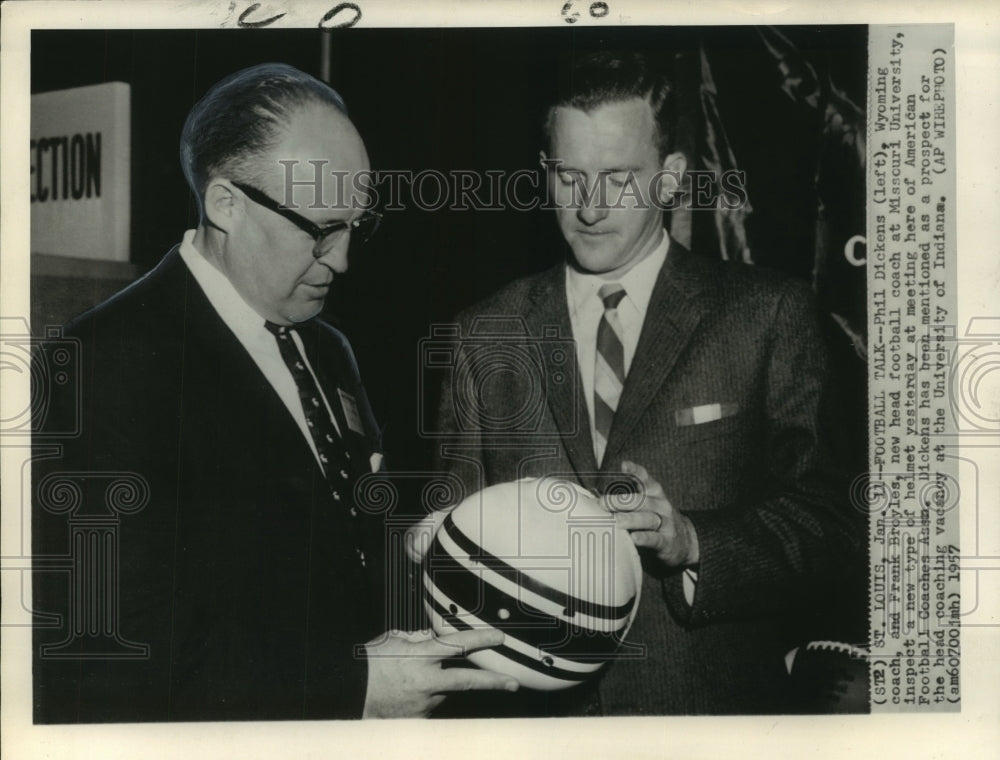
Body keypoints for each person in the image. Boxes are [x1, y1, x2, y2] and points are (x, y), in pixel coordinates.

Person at [31, 63, 518, 723]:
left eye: (357, 225)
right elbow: (104, 659)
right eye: (320, 229)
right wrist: (352, 686)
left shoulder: (327, 347)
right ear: (224, 203)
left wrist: (419, 549)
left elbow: (326, 542)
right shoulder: (99, 366)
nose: (342, 261)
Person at [423, 51, 865, 715]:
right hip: (534, 742)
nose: (591, 207)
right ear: (545, 175)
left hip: (709, 737)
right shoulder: (485, 332)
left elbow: (832, 527)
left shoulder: (767, 314)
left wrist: (692, 541)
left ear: (672, 178)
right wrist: (432, 546)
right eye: (569, 177)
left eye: (619, 179)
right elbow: (453, 531)